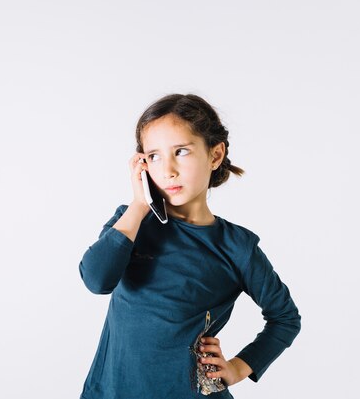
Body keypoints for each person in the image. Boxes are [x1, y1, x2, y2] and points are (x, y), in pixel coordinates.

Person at [78, 93, 302, 399]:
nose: (168, 169)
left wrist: (238, 367)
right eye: (154, 156)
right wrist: (138, 205)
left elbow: (285, 318)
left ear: (215, 154)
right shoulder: (130, 223)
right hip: (111, 391)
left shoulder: (237, 247)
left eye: (181, 151)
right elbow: (96, 280)